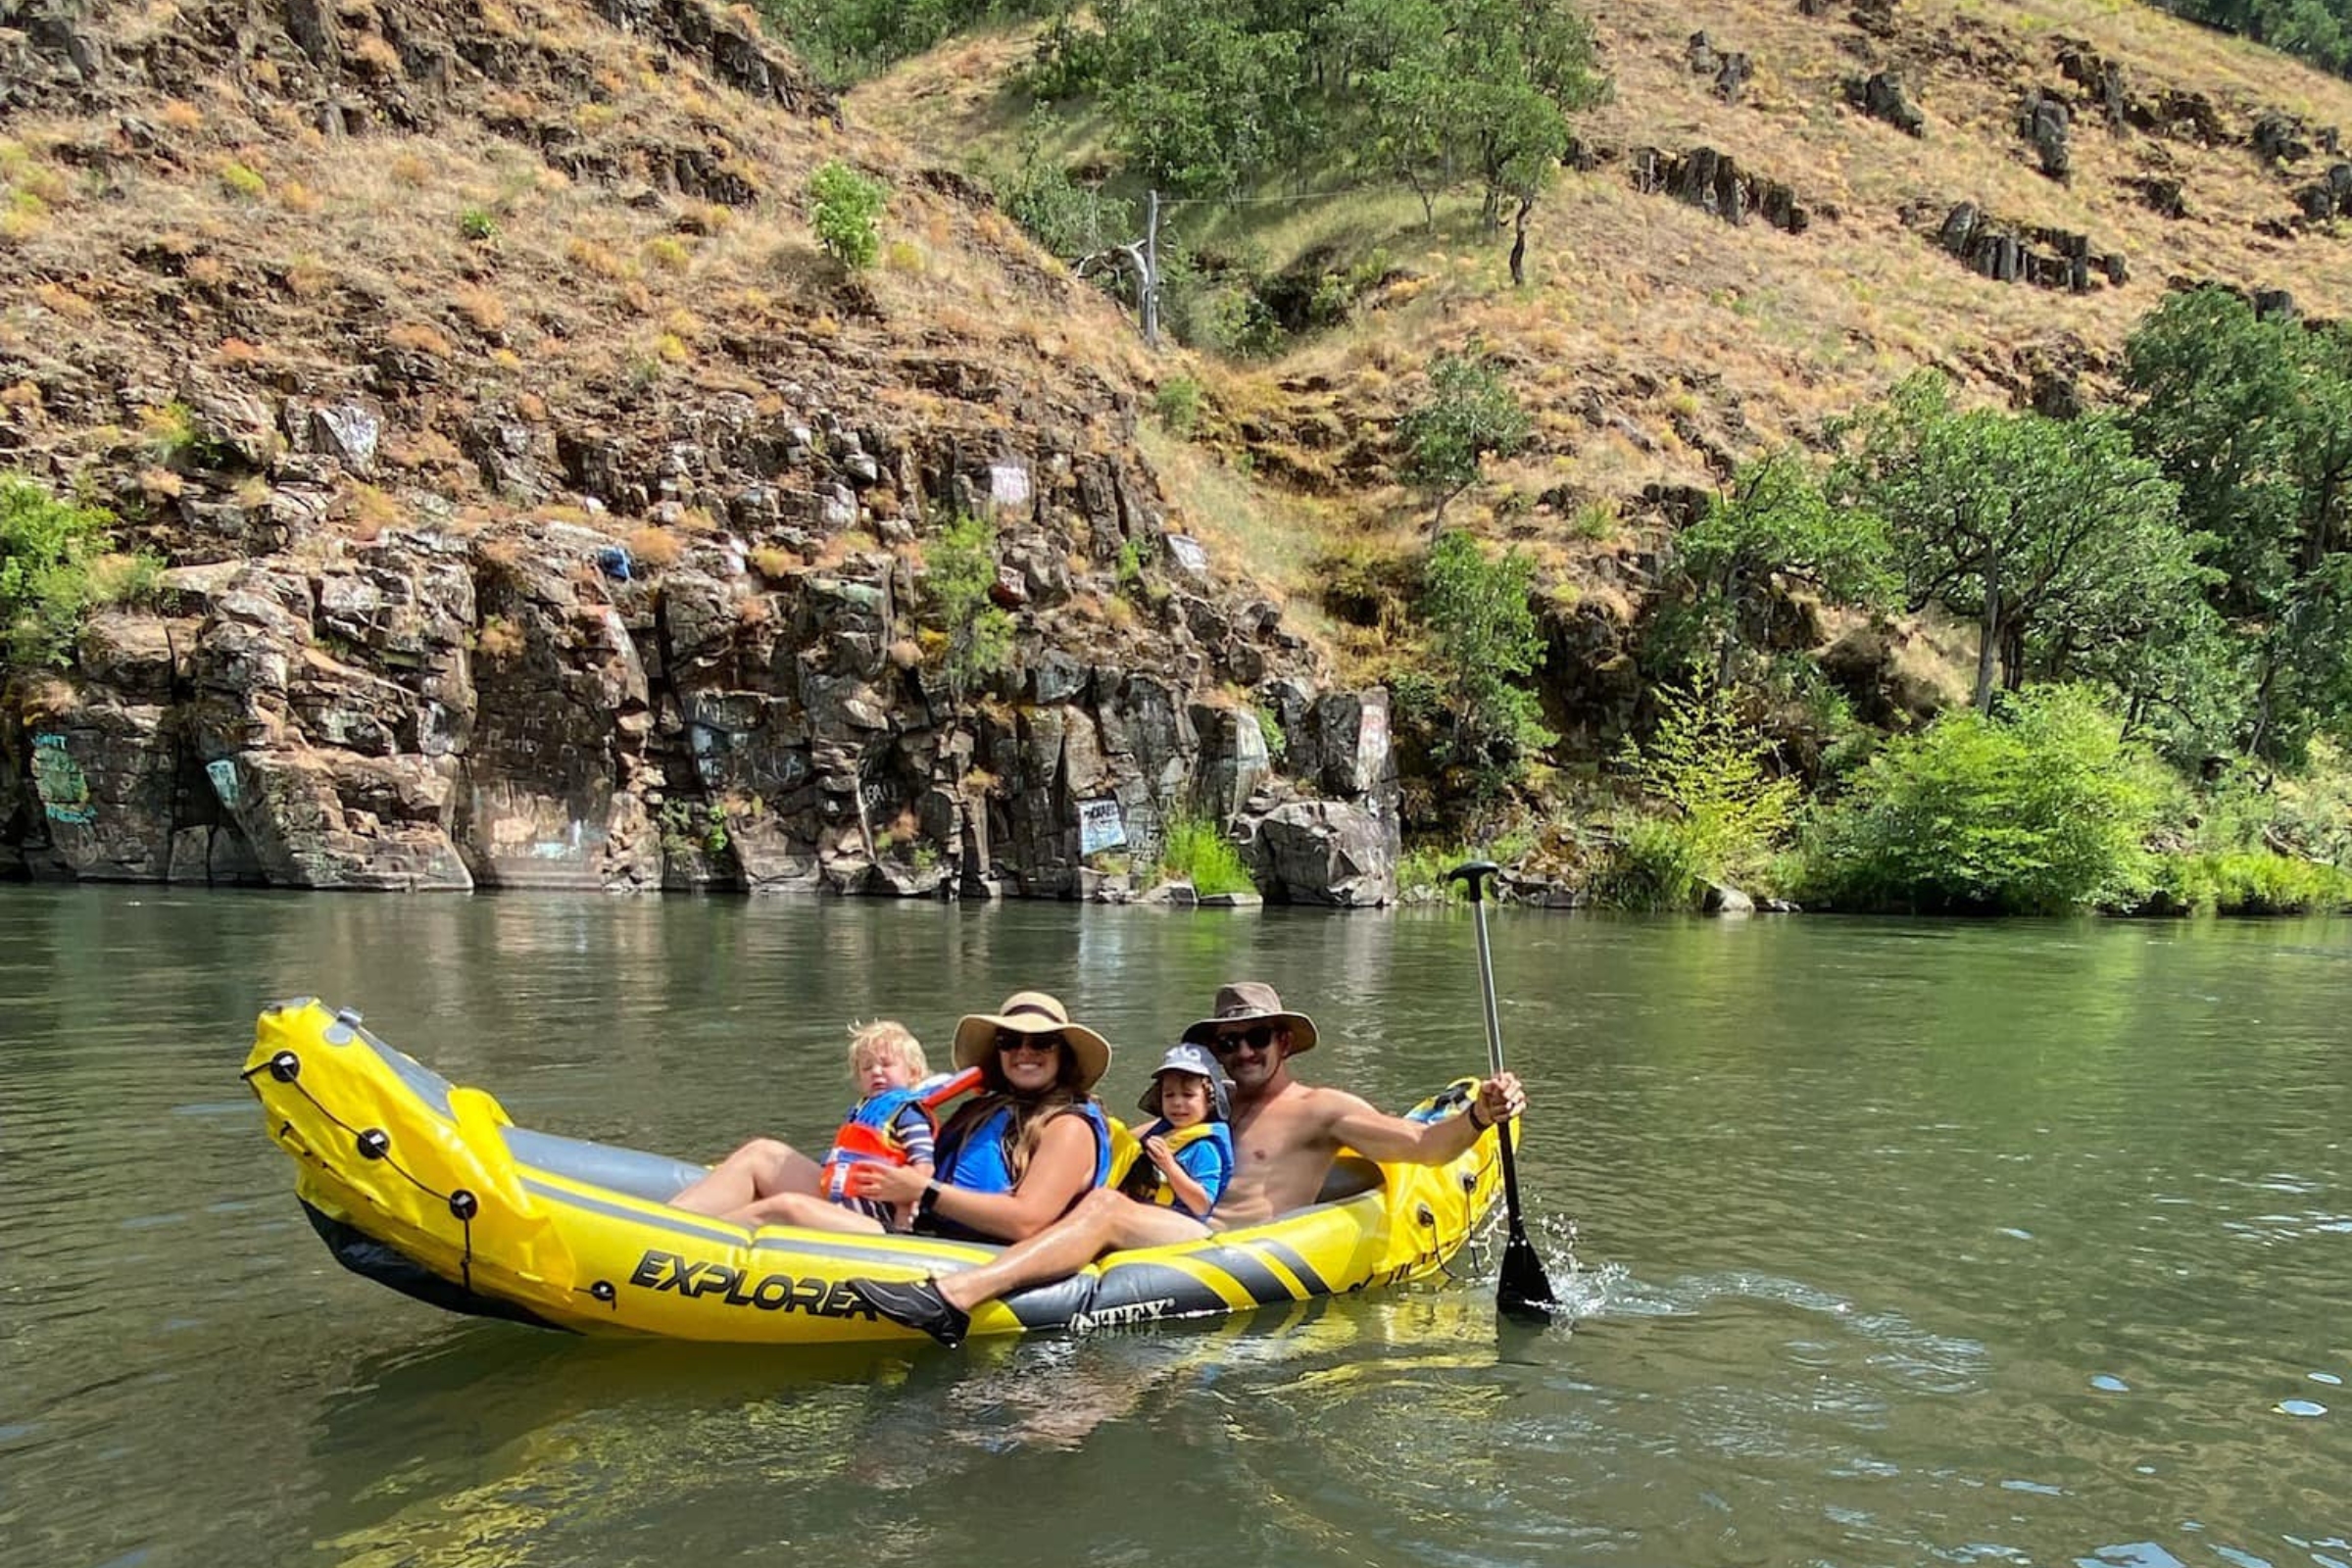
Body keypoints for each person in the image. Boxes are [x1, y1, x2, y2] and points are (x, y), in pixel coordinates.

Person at [847, 981, 1525, 1347]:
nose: (1243, 1052)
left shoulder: (1321, 1108)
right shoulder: (1204, 1113)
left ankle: (953, 1300)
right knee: (1103, 1198)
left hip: (1239, 1245)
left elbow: (1417, 1147)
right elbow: (1113, 1145)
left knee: (1106, 1210)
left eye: (1257, 1038)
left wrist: (1479, 1117)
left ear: (1283, 1041)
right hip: (1185, 1232)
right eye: (1228, 1043)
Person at [840, 990, 1116, 1244]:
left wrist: (924, 1191)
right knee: (796, 1186)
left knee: (798, 1209)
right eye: (1010, 1041)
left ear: (1063, 1055)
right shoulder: (977, 1111)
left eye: (1042, 1043)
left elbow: (1027, 1222)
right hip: (925, 1229)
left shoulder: (1069, 1126)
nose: (1024, 1051)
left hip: (987, 1254)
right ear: (998, 1052)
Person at [669, 1019, 959, 1233]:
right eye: (867, 1067)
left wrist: (903, 1214)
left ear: (914, 1073)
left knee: (786, 1206)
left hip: (876, 1223)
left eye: (886, 1064)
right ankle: (666, 1221)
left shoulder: (909, 1115)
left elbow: (922, 1172)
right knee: (761, 1152)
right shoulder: (867, 1111)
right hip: (842, 1200)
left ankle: (687, 1240)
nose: (877, 1072)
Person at [1117, 1042, 1235, 1221]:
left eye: (1188, 1095)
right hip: (1147, 1214)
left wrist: (1169, 1166)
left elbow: (1202, 1205)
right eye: (1169, 1095)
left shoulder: (1204, 1147)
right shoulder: (1162, 1134)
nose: (1177, 1102)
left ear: (1210, 1100)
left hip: (1180, 1224)